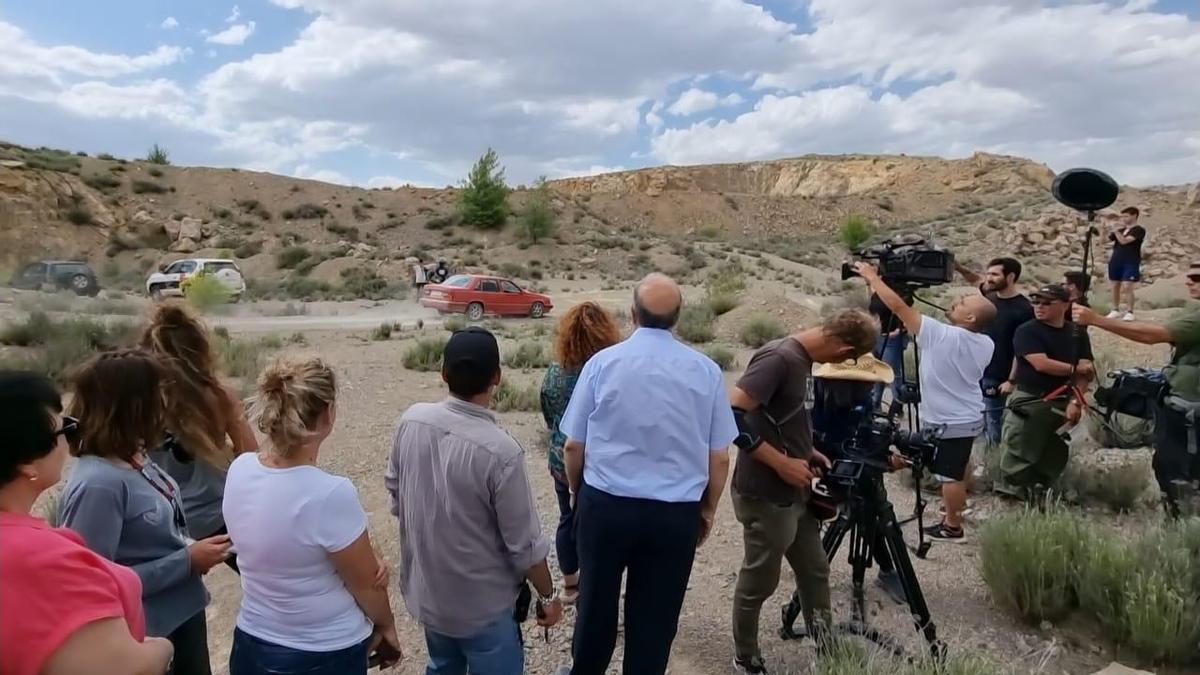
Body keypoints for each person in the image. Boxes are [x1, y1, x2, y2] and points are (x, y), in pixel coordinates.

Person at [559, 274, 736, 675]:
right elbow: (720, 457)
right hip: (673, 515)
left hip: (605, 506)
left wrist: (576, 491)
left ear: (632, 313)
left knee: (595, 606)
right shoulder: (706, 372)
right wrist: (706, 510)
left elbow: (573, 445)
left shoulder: (602, 364)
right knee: (655, 620)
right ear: (677, 318)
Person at [387, 327, 561, 674]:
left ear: (443, 373)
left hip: (430, 596)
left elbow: (396, 496)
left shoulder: (411, 421)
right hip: (484, 609)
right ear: (497, 377)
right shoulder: (502, 452)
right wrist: (547, 596)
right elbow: (524, 546)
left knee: (442, 664)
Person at [223, 355, 401, 674]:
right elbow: (366, 583)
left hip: (252, 642)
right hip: (321, 651)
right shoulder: (329, 494)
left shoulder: (240, 469)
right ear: (328, 414)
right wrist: (387, 626)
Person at [60, 350, 232, 675]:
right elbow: (96, 585)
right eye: (160, 395)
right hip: (148, 633)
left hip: (181, 614)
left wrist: (189, 553)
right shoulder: (100, 484)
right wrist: (186, 561)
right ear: (134, 406)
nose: (166, 406)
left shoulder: (133, 455)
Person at [727, 307, 879, 674]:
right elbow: (730, 413)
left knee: (815, 569)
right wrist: (781, 462)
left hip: (796, 492)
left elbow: (788, 415)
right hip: (766, 493)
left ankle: (827, 647)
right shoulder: (779, 358)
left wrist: (806, 450)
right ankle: (745, 656)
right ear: (844, 351)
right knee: (760, 580)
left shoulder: (804, 360)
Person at [0, 371, 175, 675]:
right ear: (27, 463)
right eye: (62, 431)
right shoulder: (39, 561)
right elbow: (127, 669)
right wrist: (163, 649)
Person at [857, 263, 995, 542]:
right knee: (956, 467)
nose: (956, 301)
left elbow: (897, 307)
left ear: (970, 317)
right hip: (965, 416)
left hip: (950, 419)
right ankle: (952, 510)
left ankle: (952, 526)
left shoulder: (940, 333)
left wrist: (872, 278)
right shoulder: (986, 342)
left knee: (949, 475)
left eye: (962, 302)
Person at [1072, 261, 1200, 517]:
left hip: (1189, 409)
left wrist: (1097, 320)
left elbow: (1152, 335)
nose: (1189, 281)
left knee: (1179, 470)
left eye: (1197, 277)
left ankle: (1185, 526)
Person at [141, 303, 257, 571]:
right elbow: (250, 458)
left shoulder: (140, 404)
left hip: (164, 519)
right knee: (268, 583)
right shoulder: (218, 396)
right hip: (221, 514)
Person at [540, 302, 622, 604]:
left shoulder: (555, 373)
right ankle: (599, 585)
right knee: (602, 527)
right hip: (601, 464)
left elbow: (549, 417)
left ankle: (571, 585)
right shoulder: (611, 372)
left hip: (562, 459)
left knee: (566, 518)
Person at [809, 356, 906, 603]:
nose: (870, 387)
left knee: (873, 509)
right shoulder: (812, 390)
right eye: (864, 382)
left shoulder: (861, 394)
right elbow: (806, 432)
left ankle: (887, 568)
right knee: (812, 514)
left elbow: (865, 427)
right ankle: (809, 569)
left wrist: (885, 453)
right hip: (821, 456)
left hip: (857, 459)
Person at [995, 285, 1095, 498]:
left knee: (1053, 450)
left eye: (1046, 302)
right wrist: (1076, 368)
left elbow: (1087, 372)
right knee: (1019, 447)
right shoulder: (1027, 330)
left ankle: (1044, 490)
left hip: (1062, 401)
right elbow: (1041, 364)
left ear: (1065, 305)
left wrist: (1076, 402)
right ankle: (1015, 493)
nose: (1039, 307)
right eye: (1035, 301)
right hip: (1031, 400)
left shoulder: (1077, 333)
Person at [956, 257, 1034, 446]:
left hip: (1000, 375)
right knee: (977, 418)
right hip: (979, 371)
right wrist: (958, 267)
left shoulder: (1024, 309)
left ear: (1011, 277)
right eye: (988, 273)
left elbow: (1022, 350)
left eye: (994, 274)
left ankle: (994, 462)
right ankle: (983, 458)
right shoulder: (989, 300)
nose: (988, 279)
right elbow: (976, 281)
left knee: (994, 422)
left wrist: (1012, 380)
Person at [867, 289, 913, 405]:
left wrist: (899, 330)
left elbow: (907, 311)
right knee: (877, 371)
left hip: (891, 339)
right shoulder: (876, 292)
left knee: (892, 373)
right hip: (876, 336)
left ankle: (897, 404)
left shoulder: (898, 291)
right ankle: (875, 404)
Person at [1105, 207, 1146, 321]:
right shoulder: (1121, 230)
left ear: (1134, 216)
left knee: (1127, 285)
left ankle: (1130, 311)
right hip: (1116, 260)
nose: (1123, 219)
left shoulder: (1139, 230)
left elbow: (1124, 241)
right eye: (1122, 216)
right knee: (1114, 285)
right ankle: (1115, 309)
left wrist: (1115, 229)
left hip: (1130, 261)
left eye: (1126, 216)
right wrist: (1104, 229)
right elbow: (1103, 241)